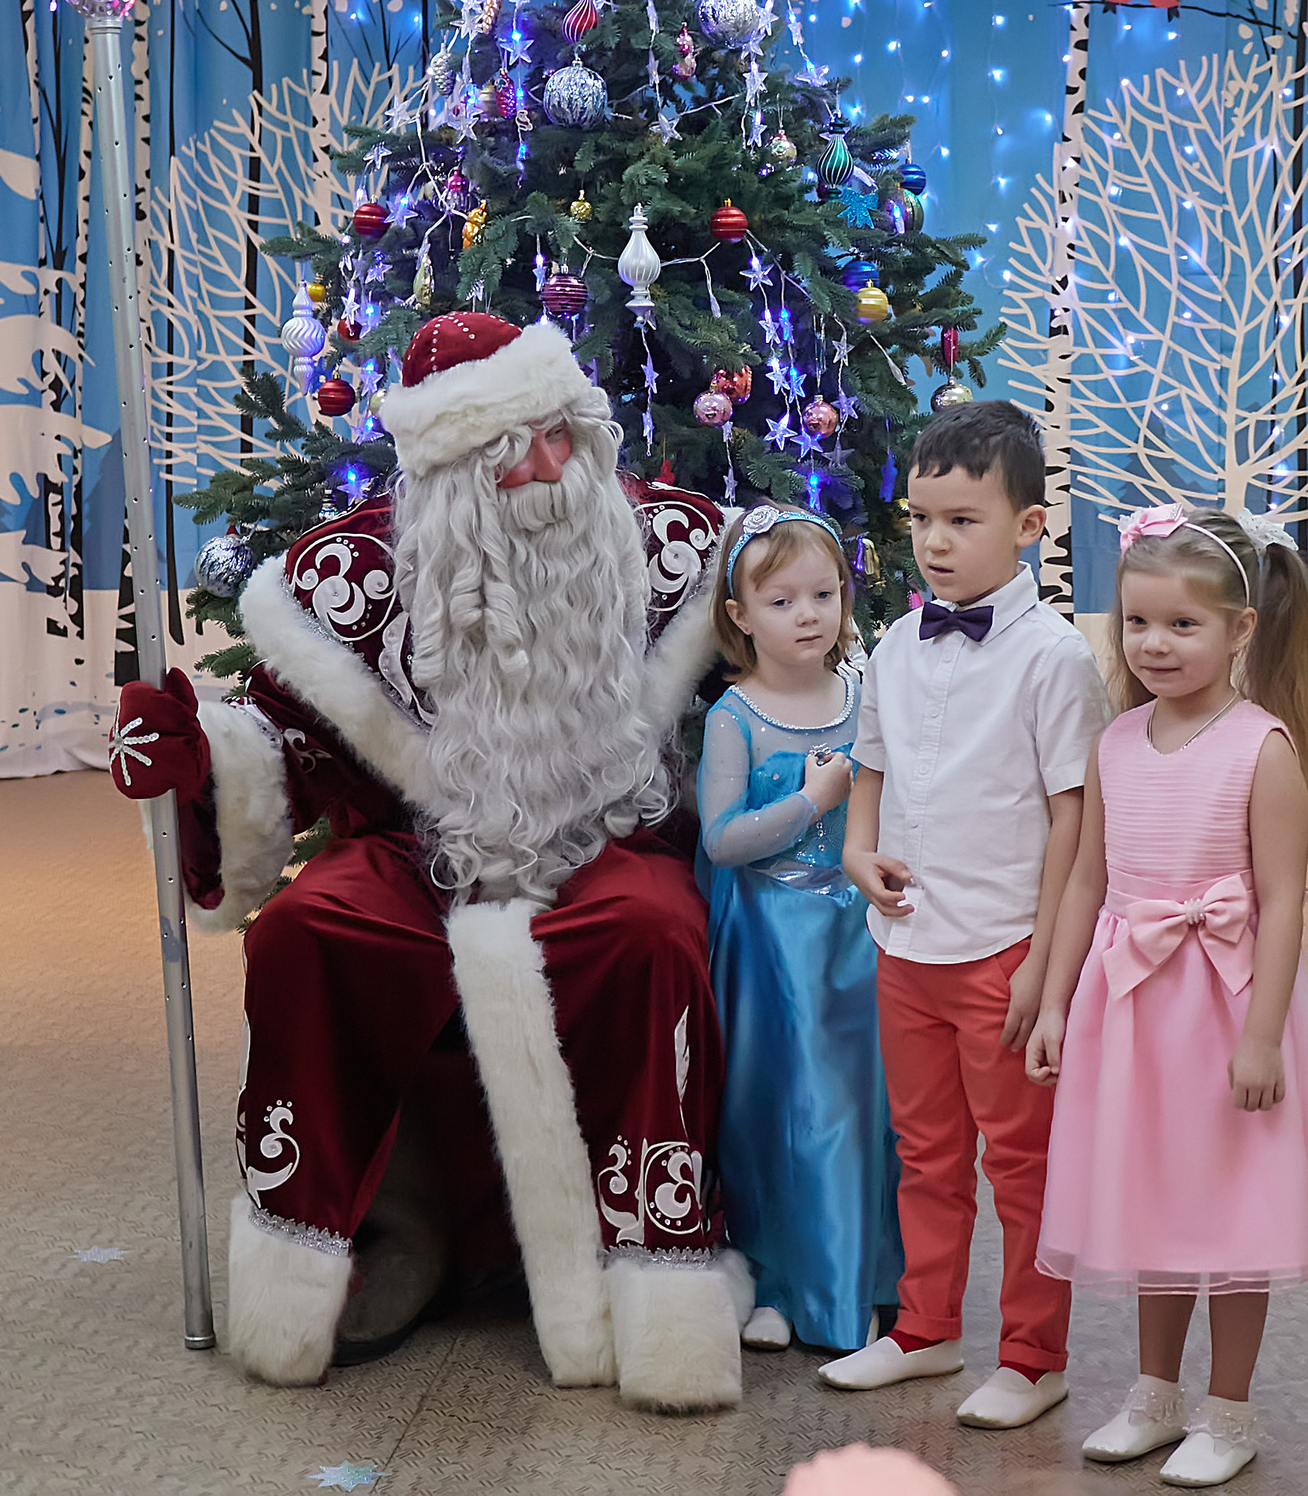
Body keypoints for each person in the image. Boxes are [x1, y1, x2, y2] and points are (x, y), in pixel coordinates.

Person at [106, 311, 747, 1409]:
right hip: (421, 848)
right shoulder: (347, 580)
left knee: (650, 932)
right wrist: (197, 754)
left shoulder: (676, 547)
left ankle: (649, 1267)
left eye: (560, 435)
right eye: (512, 454)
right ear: (447, 478)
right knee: (307, 931)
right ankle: (374, 1236)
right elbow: (282, 744)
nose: (549, 470)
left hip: (609, 834)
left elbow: (787, 674)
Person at [1027, 504, 1308, 1489]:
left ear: (1240, 628)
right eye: (1137, 622)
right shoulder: (1116, 741)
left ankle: (1229, 1408)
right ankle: (1154, 1394)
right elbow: (1086, 881)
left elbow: (1284, 900)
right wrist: (1055, 1001)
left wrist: (1262, 1037)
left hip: (1226, 1005)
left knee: (1235, 1211)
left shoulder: (1260, 747)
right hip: (1131, 1005)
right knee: (1153, 1200)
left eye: (1183, 624)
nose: (1155, 644)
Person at [821, 399, 1111, 1429]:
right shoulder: (896, 643)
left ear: (1028, 526)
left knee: (1022, 1164)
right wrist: (857, 850)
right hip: (906, 943)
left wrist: (1044, 965)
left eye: (961, 520)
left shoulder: (1054, 658)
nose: (935, 542)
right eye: (921, 519)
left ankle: (1034, 1355)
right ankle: (925, 1328)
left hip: (1003, 949)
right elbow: (871, 766)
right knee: (926, 1151)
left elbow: (1076, 819)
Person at [696, 504, 903, 1354]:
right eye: (781, 601)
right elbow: (721, 840)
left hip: (856, 936)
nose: (808, 614)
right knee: (775, 1111)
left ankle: (855, 1282)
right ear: (740, 615)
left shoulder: (864, 696)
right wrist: (812, 801)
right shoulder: (735, 717)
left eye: (823, 593)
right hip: (771, 946)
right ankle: (777, 1278)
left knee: (858, 1112)